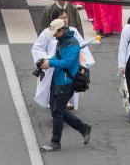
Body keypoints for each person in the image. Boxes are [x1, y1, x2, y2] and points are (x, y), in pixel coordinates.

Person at [38, 19, 93, 151]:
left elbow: (67, 62)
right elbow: (58, 58)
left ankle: (55, 142)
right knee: (57, 110)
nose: (53, 35)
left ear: (61, 30)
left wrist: (50, 63)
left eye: (54, 33)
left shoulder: (72, 44)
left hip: (66, 82)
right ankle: (83, 128)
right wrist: (46, 61)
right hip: (57, 79)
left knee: (57, 112)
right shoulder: (61, 41)